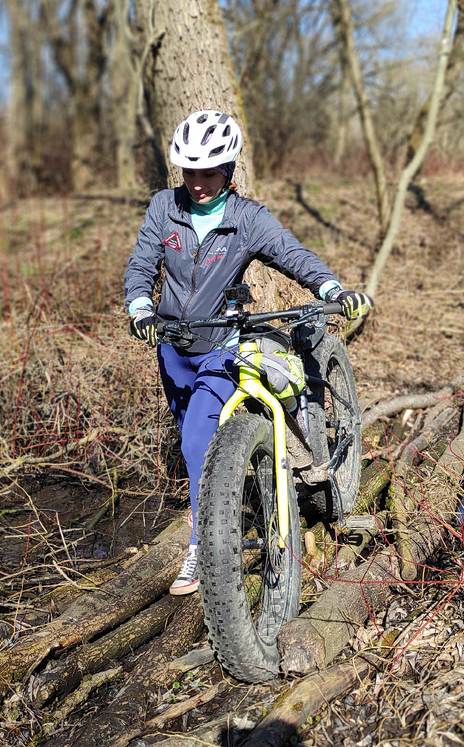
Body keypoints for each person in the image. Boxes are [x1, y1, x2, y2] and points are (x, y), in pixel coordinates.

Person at [123, 110, 373, 595]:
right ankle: (224, 499)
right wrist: (140, 309)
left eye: (208, 172)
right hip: (172, 347)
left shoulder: (246, 219)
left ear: (229, 171)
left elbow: (292, 253)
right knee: (191, 442)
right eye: (189, 172)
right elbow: (141, 264)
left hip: (221, 344)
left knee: (198, 439)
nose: (197, 182)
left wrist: (331, 287)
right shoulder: (163, 208)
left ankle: (202, 547)